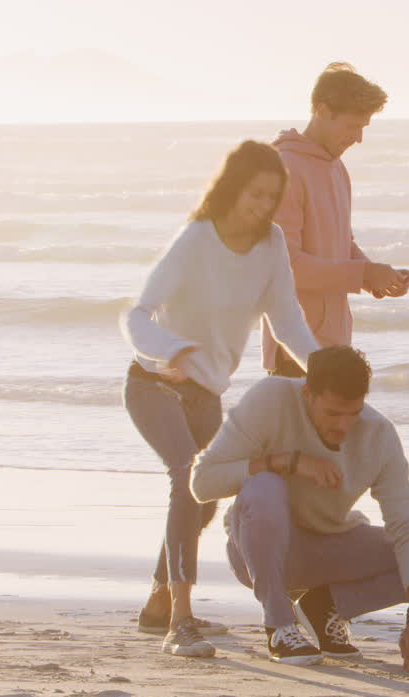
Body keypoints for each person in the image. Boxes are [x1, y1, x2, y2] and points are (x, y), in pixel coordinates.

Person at [120, 140, 322, 657]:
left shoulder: (272, 243)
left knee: (205, 498)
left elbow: (287, 320)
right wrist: (170, 349)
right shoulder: (197, 238)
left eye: (272, 197)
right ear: (232, 189)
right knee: (187, 479)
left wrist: (322, 370)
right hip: (154, 384)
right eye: (255, 194)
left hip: (206, 394)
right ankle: (180, 623)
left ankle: (159, 601)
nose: (263, 206)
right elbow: (137, 314)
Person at [190, 346, 409, 667]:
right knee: (263, 485)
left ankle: (324, 608)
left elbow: (406, 524)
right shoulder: (271, 399)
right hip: (258, 551)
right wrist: (287, 462)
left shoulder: (378, 434)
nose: (344, 426)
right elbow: (202, 483)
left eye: (354, 413)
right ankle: (279, 625)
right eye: (333, 413)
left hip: (329, 548)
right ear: (307, 394)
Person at [264, 61, 409, 378]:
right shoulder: (284, 168)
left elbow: (343, 243)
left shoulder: (336, 167)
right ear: (322, 111)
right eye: (352, 126)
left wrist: (377, 278)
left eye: (364, 127)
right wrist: (364, 273)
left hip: (334, 344)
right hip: (295, 347)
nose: (358, 138)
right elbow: (285, 267)